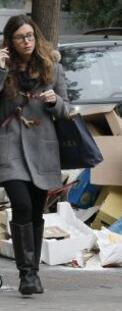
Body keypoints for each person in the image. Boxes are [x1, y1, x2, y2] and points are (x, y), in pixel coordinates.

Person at [0, 15, 70, 295]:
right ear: (10, 41)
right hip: (10, 147)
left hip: (42, 148)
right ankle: (26, 274)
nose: (26, 41)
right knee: (22, 205)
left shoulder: (52, 67)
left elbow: (67, 110)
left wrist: (55, 101)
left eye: (30, 36)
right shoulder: (5, 67)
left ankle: (34, 272)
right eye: (20, 37)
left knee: (36, 211)